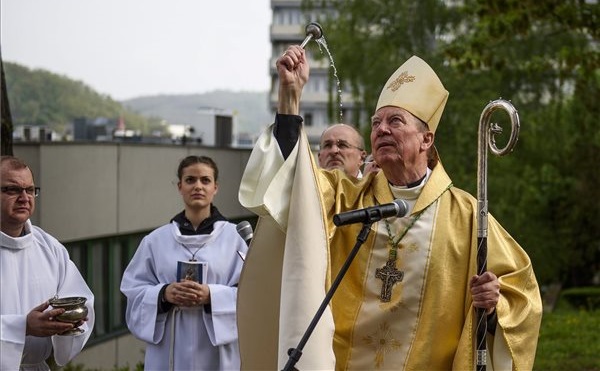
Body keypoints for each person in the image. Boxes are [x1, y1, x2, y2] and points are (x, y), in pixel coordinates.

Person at [237, 45, 542, 370]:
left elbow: (519, 292)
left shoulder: (466, 215)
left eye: (395, 121)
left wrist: (495, 304)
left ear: (426, 140)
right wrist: (289, 100)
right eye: (376, 123)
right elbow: (294, 190)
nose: (381, 129)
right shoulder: (345, 197)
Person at [120, 155, 247, 371]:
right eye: (190, 180)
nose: (198, 186)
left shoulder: (236, 238)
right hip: (169, 349)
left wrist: (211, 296)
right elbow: (133, 292)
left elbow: (254, 295)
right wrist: (163, 294)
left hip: (219, 352)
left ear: (215, 187)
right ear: (180, 186)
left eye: (205, 180)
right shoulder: (155, 240)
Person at [1, 156, 95, 370]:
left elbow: (82, 301)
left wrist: (67, 323)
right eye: (13, 190)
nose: (25, 198)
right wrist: (22, 327)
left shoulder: (49, 247)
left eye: (30, 189)